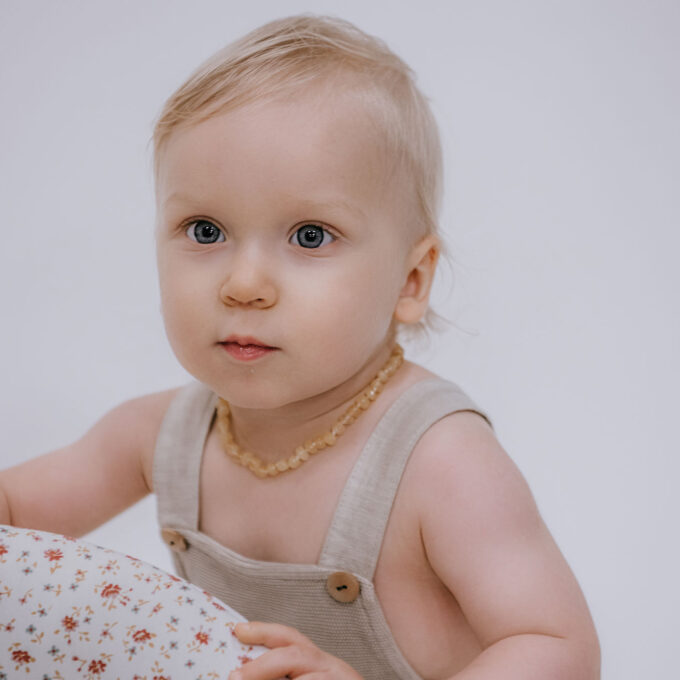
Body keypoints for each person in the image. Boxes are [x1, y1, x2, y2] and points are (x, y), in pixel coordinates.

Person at [0, 14, 600, 680]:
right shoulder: (161, 435)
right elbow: (16, 510)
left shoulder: (441, 463)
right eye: (205, 230)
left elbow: (558, 648)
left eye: (310, 236)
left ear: (410, 280)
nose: (244, 284)